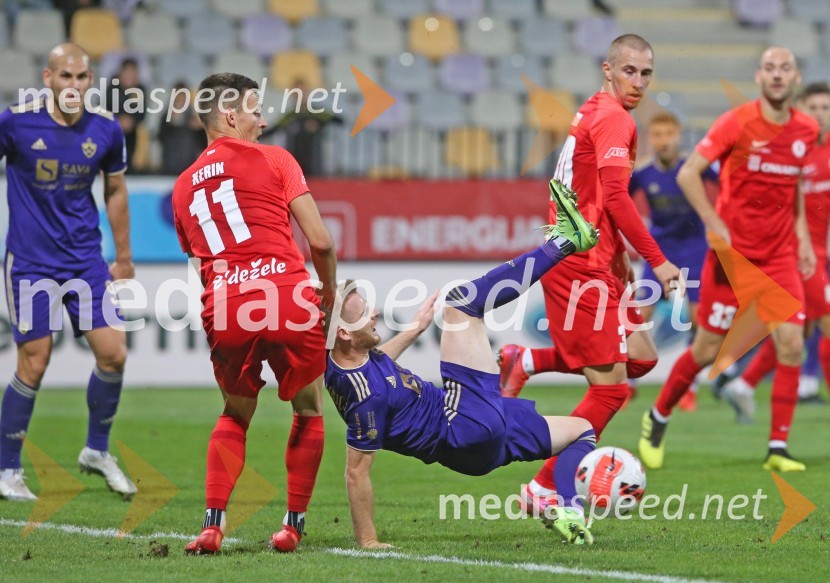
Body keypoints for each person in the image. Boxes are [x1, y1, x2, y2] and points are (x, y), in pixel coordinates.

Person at [328, 179, 599, 547]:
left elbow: (375, 369)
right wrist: (368, 541)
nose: (374, 312)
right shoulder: (365, 398)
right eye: (363, 313)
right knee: (462, 304)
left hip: (476, 451)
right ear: (344, 333)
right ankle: (564, 242)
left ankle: (570, 511)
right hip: (460, 425)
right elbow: (356, 472)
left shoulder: (349, 363)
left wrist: (414, 329)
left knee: (582, 430)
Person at [497, 34, 681, 514]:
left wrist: (621, 256)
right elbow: (616, 198)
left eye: (646, 73)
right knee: (612, 389)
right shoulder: (615, 118)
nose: (638, 82)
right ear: (608, 69)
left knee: (642, 357)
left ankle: (527, 360)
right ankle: (544, 486)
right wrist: (657, 260)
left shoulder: (594, 110)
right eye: (629, 71)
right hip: (582, 265)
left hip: (598, 256)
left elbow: (593, 194)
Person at [172, 73, 337, 555]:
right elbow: (321, 242)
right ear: (230, 116)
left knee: (235, 412)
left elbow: (202, 264)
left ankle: (212, 525)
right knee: (308, 408)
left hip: (226, 305)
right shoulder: (276, 159)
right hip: (285, 294)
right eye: (256, 111)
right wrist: (327, 297)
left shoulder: (181, 188)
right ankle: (292, 526)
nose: (264, 122)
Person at [639, 48, 820, 472]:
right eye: (770, 68)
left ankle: (777, 448)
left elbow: (794, 186)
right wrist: (713, 220)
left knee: (792, 344)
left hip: (779, 258)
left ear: (796, 78)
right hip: (732, 259)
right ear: (759, 77)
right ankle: (658, 416)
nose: (778, 75)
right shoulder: (736, 122)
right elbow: (688, 173)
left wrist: (803, 238)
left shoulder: (806, 128)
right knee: (706, 349)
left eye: (785, 68)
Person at [0, 43, 136, 501]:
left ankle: (96, 450)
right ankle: (6, 468)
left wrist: (124, 256)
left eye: (81, 77)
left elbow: (115, 190)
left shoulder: (105, 129)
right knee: (35, 360)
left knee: (113, 353)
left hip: (85, 261)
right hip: (31, 262)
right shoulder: (15, 122)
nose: (73, 86)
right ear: (48, 78)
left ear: (90, 80)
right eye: (65, 76)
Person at [718, 82, 830, 415]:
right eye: (814, 108)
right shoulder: (788, 148)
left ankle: (743, 384)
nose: (820, 115)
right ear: (801, 110)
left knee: (800, 329)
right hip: (789, 255)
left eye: (826, 108)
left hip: (817, 253)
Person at [629, 112, 720, 412]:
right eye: (657, 134)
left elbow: (726, 186)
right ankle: (628, 383)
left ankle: (689, 387)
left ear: (679, 136)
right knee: (640, 314)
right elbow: (618, 201)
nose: (663, 140)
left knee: (697, 319)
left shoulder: (694, 168)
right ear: (650, 139)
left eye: (669, 134)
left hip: (695, 249)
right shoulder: (643, 174)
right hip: (659, 251)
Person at [158, 81, 206, 176]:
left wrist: (200, 128)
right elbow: (160, 138)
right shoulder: (166, 117)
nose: (180, 99)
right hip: (169, 167)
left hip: (190, 167)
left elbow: (203, 143)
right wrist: (171, 122)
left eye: (182, 95)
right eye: (177, 95)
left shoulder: (195, 118)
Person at [106, 58, 146, 170]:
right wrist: (118, 120)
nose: (129, 76)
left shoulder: (140, 90)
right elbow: (106, 109)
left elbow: (142, 114)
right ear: (120, 73)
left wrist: (132, 121)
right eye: (127, 72)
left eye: (132, 73)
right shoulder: (112, 88)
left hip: (131, 134)